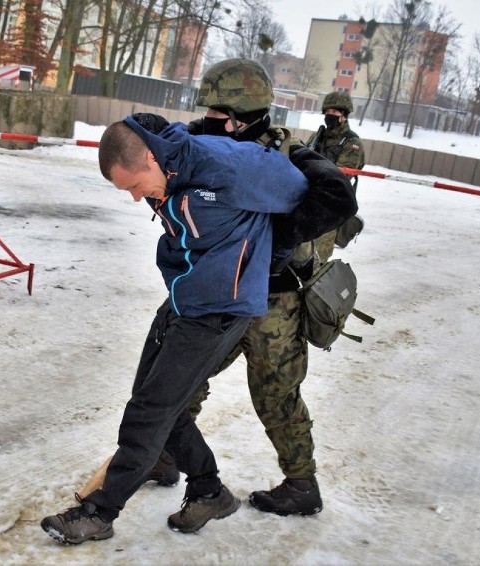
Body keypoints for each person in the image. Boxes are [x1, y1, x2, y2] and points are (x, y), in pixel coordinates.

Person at [40, 113, 310, 545]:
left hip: (221, 307)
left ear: (149, 156)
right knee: (163, 402)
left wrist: (269, 258)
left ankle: (98, 513)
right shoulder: (167, 169)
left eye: (133, 186)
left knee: (149, 411)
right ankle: (209, 491)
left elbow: (298, 192)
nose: (134, 199)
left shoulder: (224, 166)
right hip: (186, 298)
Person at [145, 59, 358, 517]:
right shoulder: (207, 139)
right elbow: (169, 146)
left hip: (274, 303)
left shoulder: (288, 154)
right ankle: (163, 457)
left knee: (277, 396)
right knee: (184, 379)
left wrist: (276, 239)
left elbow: (339, 196)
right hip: (219, 295)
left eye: (218, 113)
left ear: (244, 115)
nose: (209, 120)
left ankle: (302, 485)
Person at [306, 90, 366, 260]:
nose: (329, 116)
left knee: (318, 256)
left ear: (344, 115)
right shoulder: (317, 137)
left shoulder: (351, 143)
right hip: (307, 200)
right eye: (327, 112)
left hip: (330, 206)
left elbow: (341, 176)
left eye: (334, 112)